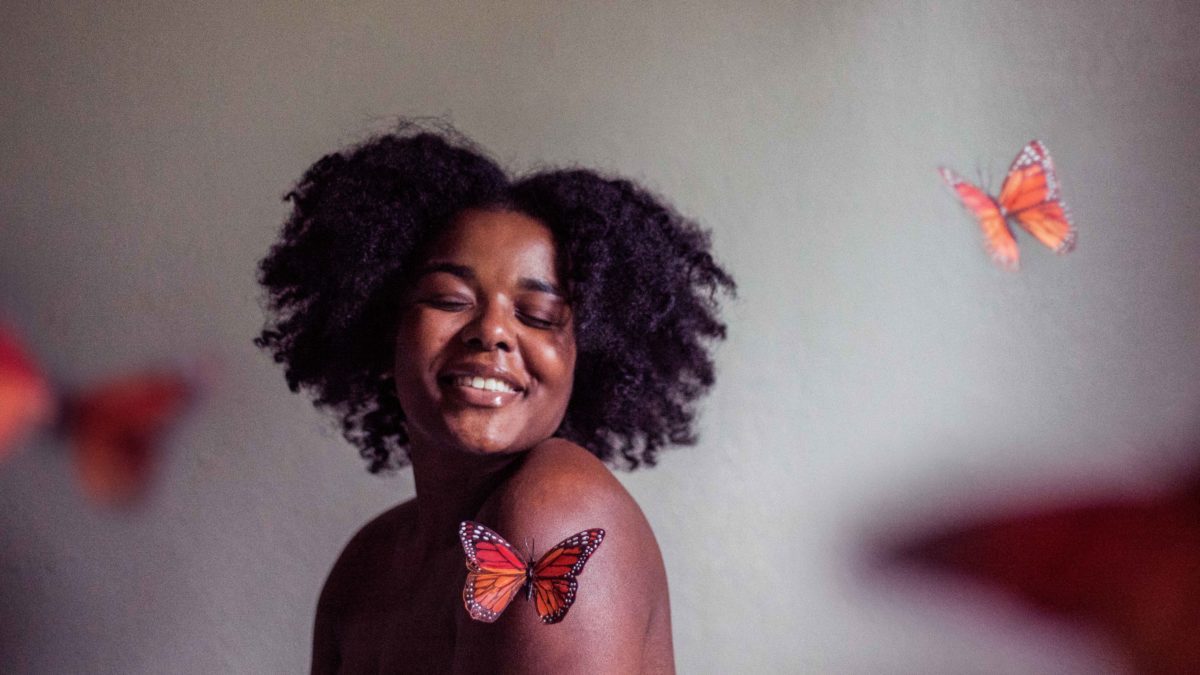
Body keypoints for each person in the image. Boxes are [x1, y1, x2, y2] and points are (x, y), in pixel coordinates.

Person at [256, 121, 734, 674]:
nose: (493, 332)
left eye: (538, 316)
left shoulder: (554, 509)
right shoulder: (368, 563)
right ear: (384, 325)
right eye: (449, 299)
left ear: (588, 356)